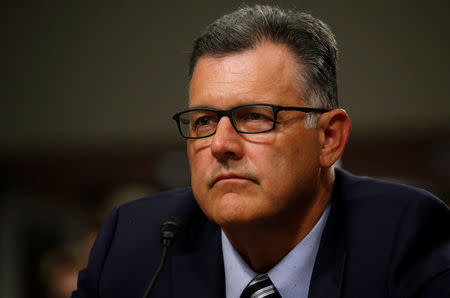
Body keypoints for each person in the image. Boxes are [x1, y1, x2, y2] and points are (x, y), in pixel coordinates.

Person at [72, 5, 449, 298]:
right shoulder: (137, 243)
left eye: (254, 117)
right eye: (204, 121)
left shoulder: (405, 237)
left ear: (329, 138)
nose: (220, 145)